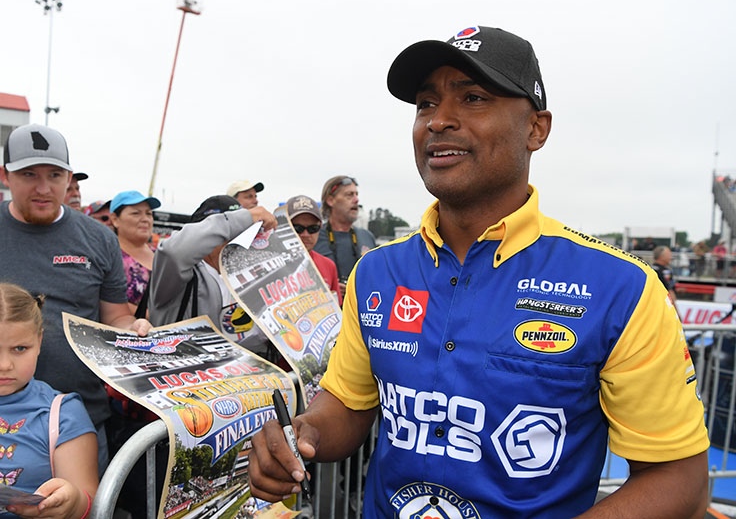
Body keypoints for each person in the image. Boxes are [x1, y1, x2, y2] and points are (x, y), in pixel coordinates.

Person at [249, 26, 709, 518]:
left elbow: (679, 478)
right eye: (426, 104)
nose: (438, 121)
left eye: (472, 98)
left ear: (536, 129)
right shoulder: (377, 272)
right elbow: (348, 402)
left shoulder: (622, 288)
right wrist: (306, 434)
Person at [0, 123, 151, 473]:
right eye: (29, 174)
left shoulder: (98, 238)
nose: (43, 188)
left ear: (69, 177)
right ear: (6, 176)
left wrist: (133, 329)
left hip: (80, 420)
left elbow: (115, 316)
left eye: (54, 175)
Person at [0, 283, 97, 519]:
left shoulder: (62, 414)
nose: (4, 365)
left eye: (20, 348)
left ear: (39, 341)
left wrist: (72, 502)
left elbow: (91, 503)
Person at [148, 195, 276, 352]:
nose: (237, 237)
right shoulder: (177, 271)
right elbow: (173, 252)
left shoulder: (244, 273)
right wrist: (246, 218)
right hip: (180, 363)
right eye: (233, 231)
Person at [313, 176, 376, 299]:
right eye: (349, 195)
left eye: (356, 194)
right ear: (330, 200)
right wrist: (329, 287)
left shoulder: (367, 236)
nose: (356, 200)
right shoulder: (313, 236)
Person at [109, 190, 161, 315]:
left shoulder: (162, 255)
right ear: (115, 219)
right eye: (136, 213)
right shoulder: (109, 257)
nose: (145, 219)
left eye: (149, 214)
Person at [286, 195, 342, 306]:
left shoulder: (329, 265)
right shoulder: (276, 266)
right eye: (298, 228)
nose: (305, 234)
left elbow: (337, 306)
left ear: (320, 227)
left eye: (313, 228)